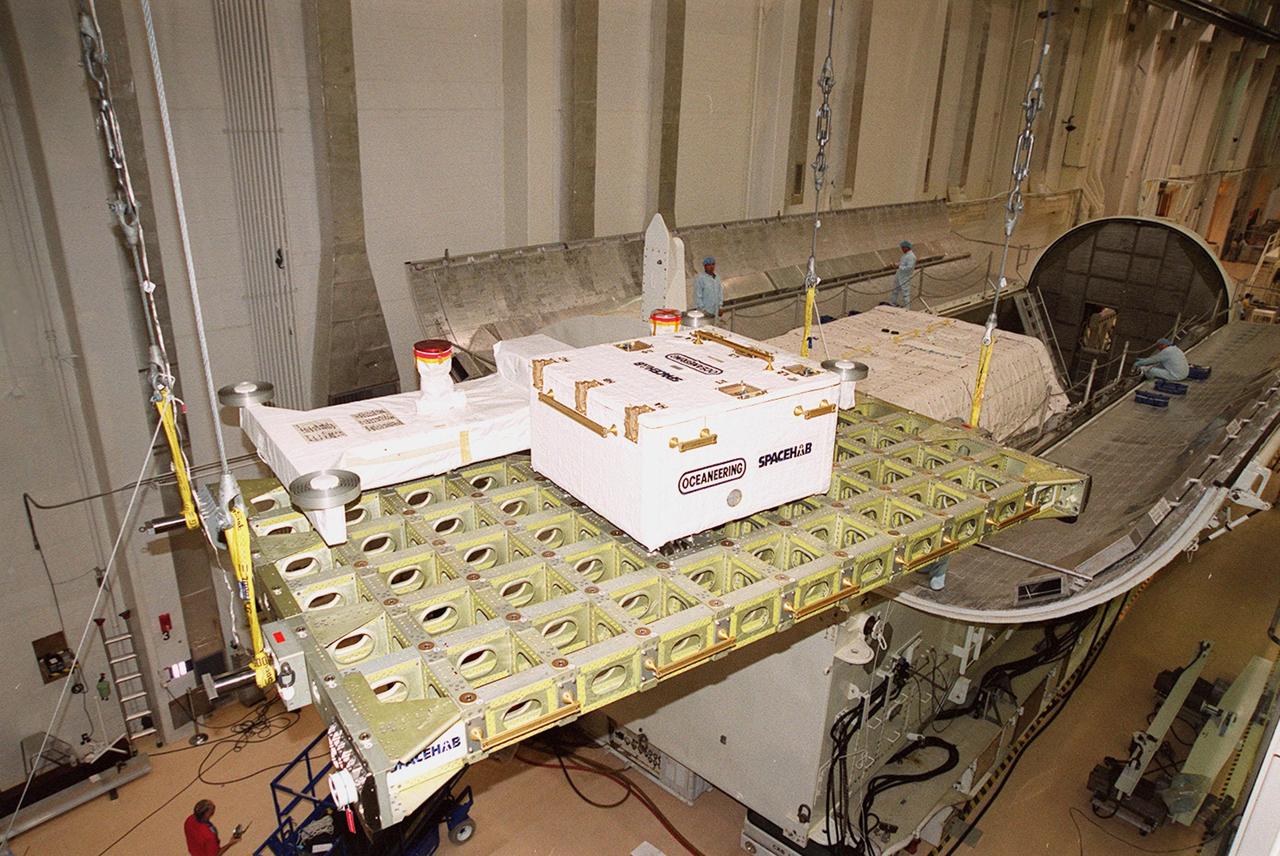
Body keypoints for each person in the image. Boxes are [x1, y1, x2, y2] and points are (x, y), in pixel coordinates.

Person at [892, 240, 916, 308]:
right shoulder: (905, 255)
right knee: (895, 290)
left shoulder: (912, 257)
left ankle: (907, 308)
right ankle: (893, 303)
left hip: (905, 277)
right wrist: (897, 264)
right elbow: (902, 263)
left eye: (903, 248)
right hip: (899, 275)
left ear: (907, 248)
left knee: (905, 293)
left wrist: (899, 266)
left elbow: (909, 268)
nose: (902, 249)